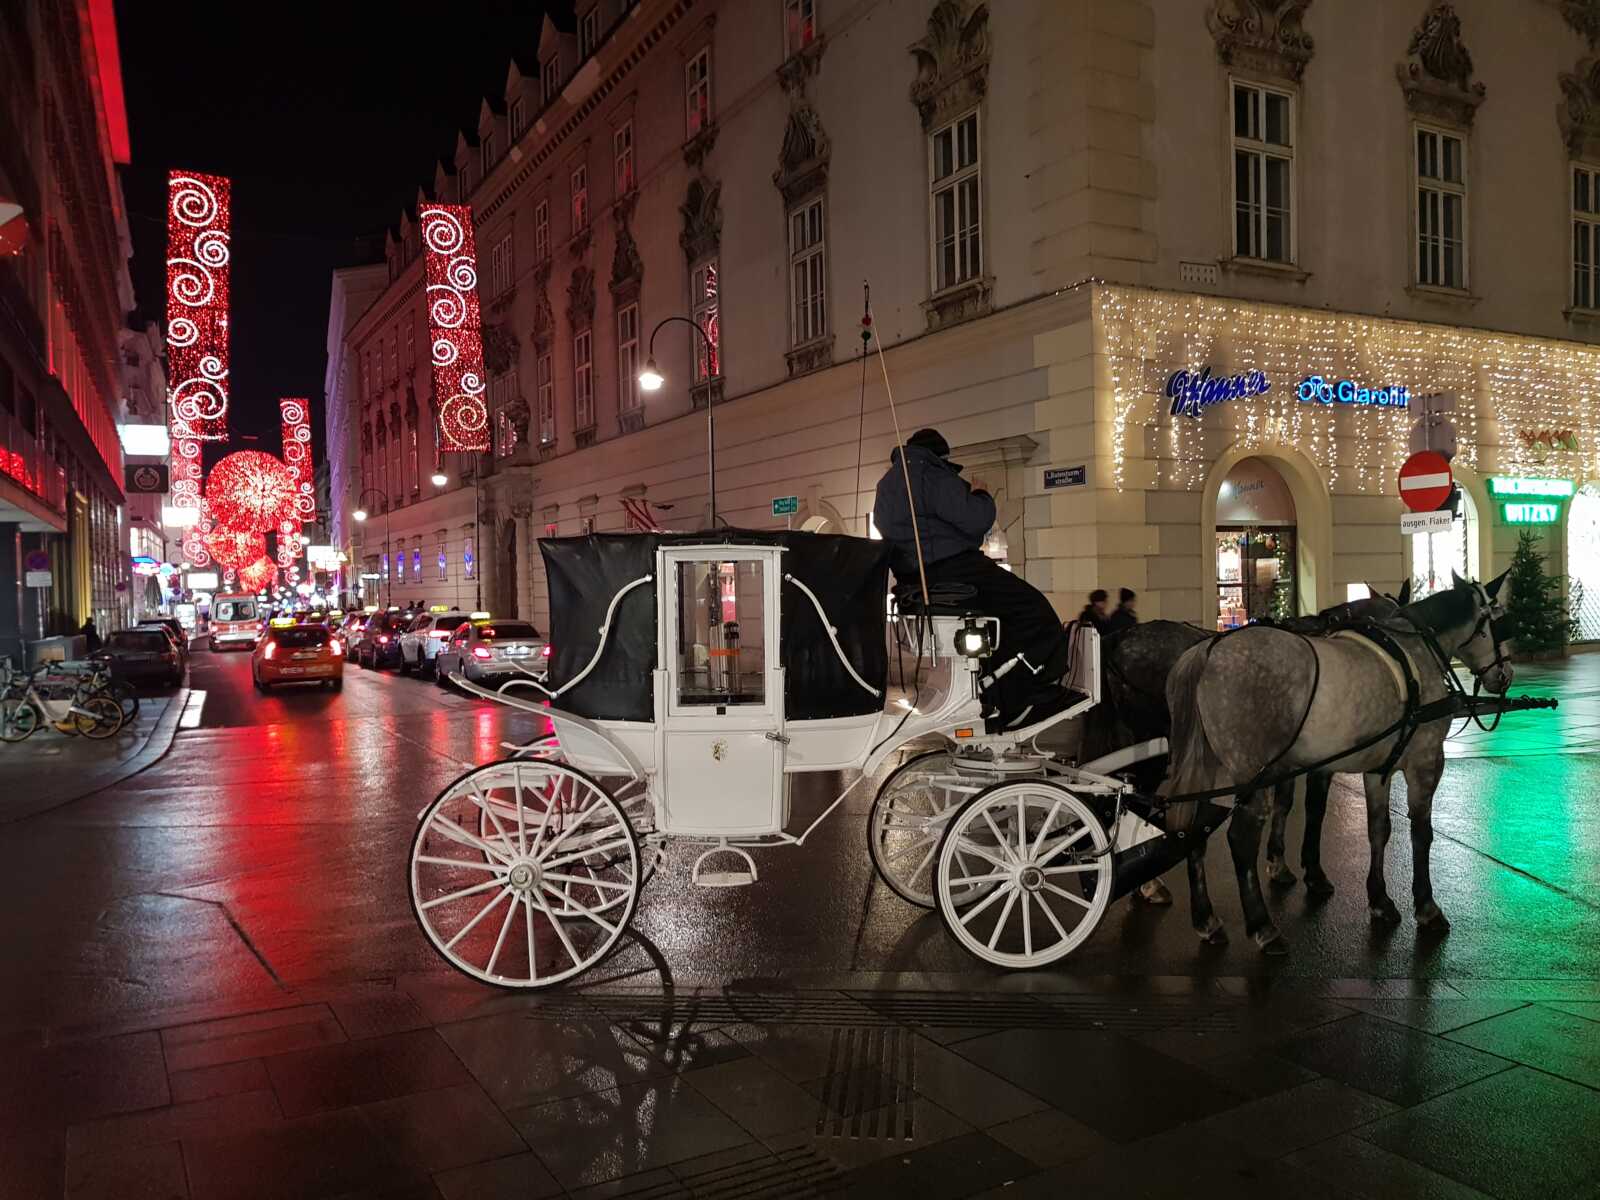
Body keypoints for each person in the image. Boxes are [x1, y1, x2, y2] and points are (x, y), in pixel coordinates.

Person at [874, 428, 1071, 729]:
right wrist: (980, 493)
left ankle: (998, 690)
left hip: (912, 578)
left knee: (1000, 622)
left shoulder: (887, 484)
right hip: (954, 570)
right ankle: (1024, 694)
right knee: (1035, 612)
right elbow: (976, 519)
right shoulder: (931, 474)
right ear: (939, 455)